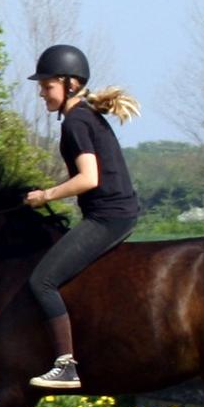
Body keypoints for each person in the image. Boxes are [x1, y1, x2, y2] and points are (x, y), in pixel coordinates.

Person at [24, 44, 141, 389]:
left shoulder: (75, 122)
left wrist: (46, 195)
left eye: (47, 86)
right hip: (115, 213)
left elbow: (89, 178)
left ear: (70, 85)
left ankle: (65, 366)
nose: (42, 94)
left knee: (41, 282)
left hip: (109, 218)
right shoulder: (87, 115)